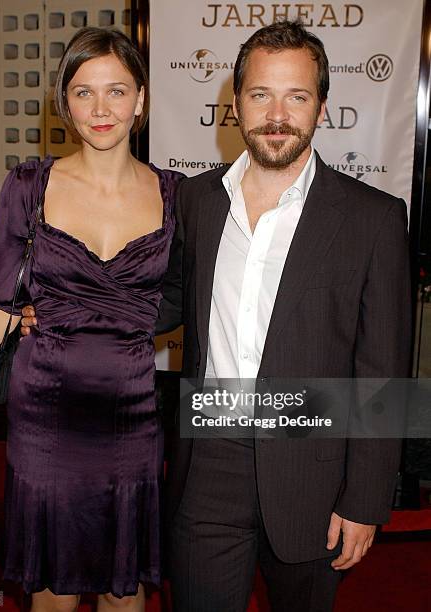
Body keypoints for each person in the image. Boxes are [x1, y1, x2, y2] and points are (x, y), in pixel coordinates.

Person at [21, 20, 411, 612]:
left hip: (315, 469)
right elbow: (164, 297)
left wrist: (366, 500)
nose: (277, 114)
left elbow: (385, 369)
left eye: (296, 96)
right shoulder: (197, 201)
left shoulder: (374, 219)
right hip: (208, 464)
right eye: (260, 95)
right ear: (236, 104)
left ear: (322, 108)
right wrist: (65, 315)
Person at [0, 27, 182, 612]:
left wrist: (122, 316)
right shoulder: (29, 186)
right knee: (53, 588)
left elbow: (190, 296)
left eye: (116, 90)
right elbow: (2, 307)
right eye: (84, 93)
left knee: (121, 589)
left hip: (131, 409)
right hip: (44, 411)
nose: (101, 109)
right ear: (65, 102)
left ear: (142, 98)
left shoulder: (176, 196)